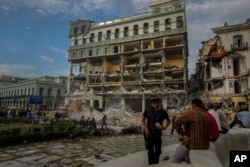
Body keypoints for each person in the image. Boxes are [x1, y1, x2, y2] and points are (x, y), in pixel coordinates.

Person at [172, 98, 211, 163]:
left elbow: (176, 121)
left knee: (175, 159)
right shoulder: (207, 116)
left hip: (192, 144)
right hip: (205, 145)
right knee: (188, 160)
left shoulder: (191, 113)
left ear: (193, 105)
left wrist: (183, 135)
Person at [142, 96, 171, 165]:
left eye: (155, 103)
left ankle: (155, 163)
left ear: (158, 102)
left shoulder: (163, 111)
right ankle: (151, 164)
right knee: (150, 152)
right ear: (150, 103)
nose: (154, 104)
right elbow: (143, 120)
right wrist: (145, 129)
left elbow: (168, 121)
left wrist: (164, 127)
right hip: (149, 135)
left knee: (158, 151)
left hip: (158, 135)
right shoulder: (148, 110)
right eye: (152, 103)